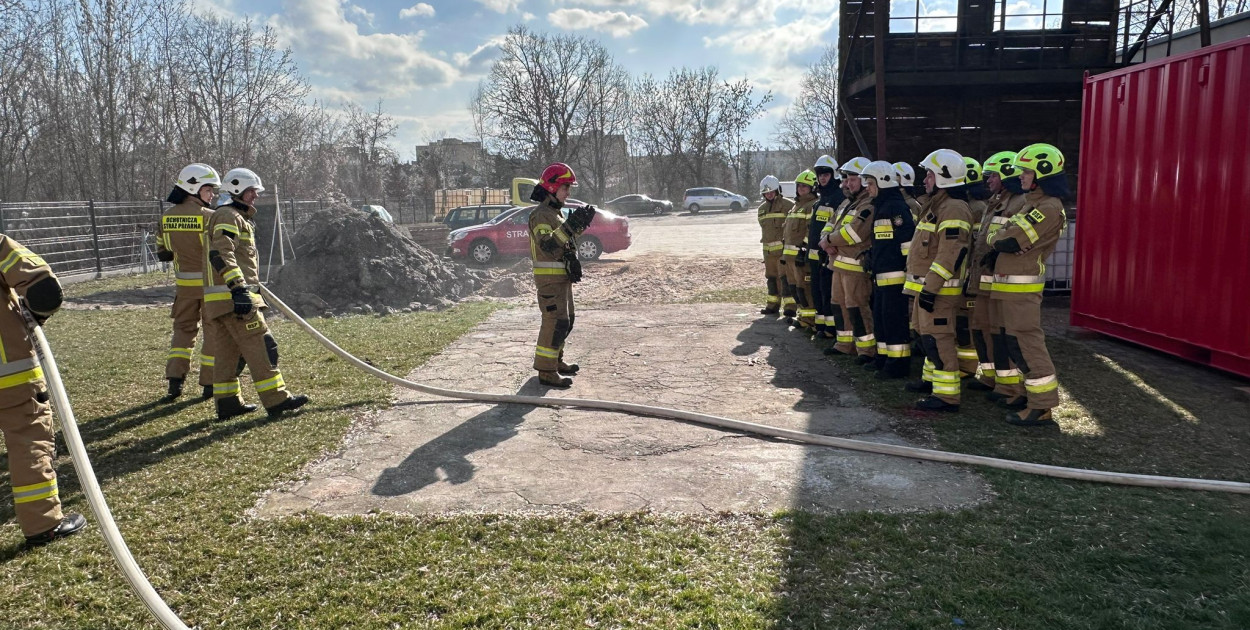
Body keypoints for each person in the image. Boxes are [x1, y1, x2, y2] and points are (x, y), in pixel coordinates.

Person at [0, 235, 87, 546]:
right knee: (29, 441)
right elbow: (45, 291)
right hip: (10, 376)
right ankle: (43, 525)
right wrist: (34, 315)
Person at [203, 168, 309, 419]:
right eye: (251, 191)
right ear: (237, 190)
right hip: (235, 299)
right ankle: (277, 399)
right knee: (263, 346)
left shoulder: (229, 215)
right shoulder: (229, 216)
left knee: (227, 354)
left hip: (221, 301)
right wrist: (239, 289)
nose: (255, 196)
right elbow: (221, 253)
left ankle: (227, 402)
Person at [986, 143, 1068, 427]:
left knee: (1028, 345)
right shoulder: (1030, 203)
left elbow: (1006, 240)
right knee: (1015, 344)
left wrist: (1006, 239)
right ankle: (1026, 394)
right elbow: (1001, 237)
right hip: (1009, 287)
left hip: (1021, 290)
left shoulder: (1047, 207)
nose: (1020, 176)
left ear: (1042, 173)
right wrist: (1005, 238)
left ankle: (1042, 407)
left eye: (1025, 171)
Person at [904, 149, 973, 412]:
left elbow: (950, 254)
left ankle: (947, 396)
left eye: (930, 174)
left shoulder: (954, 208)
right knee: (925, 336)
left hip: (939, 291)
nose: (925, 179)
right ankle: (931, 381)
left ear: (945, 177)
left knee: (938, 339)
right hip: (927, 288)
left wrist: (931, 289)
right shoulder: (937, 206)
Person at [155, 163, 221, 400]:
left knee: (182, 334)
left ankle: (175, 382)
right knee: (213, 333)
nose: (212, 194)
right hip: (210, 288)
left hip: (183, 290)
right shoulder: (210, 217)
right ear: (194, 188)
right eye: (208, 189)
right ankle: (209, 385)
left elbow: (163, 252)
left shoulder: (167, 217)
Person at [527, 163, 595, 387]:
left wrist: (576, 229)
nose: (569, 192)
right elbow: (548, 245)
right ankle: (546, 371)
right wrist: (569, 228)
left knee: (566, 322)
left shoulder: (555, 214)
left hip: (562, 279)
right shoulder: (540, 216)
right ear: (552, 187)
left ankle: (556, 361)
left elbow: (565, 243)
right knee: (554, 322)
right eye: (566, 187)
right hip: (549, 281)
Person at [966, 151, 1026, 395]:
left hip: (1001, 282)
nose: (987, 180)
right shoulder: (996, 202)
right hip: (983, 280)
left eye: (992, 175)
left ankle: (1009, 386)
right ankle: (990, 377)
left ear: (1007, 174)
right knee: (981, 328)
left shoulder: (1019, 203)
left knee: (1000, 334)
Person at [860, 161, 915, 378]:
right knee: (881, 319)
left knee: (894, 322)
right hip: (881, 276)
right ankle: (883, 358)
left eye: (870, 183)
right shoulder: (882, 206)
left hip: (895, 277)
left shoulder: (896, 207)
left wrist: (906, 270)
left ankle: (898, 365)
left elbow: (906, 242)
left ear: (883, 182)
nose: (868, 187)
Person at [821, 156, 874, 358]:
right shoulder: (846, 204)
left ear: (863, 180)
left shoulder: (868, 205)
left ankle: (866, 350)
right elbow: (830, 225)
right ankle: (844, 345)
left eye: (852, 179)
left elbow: (854, 233)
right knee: (839, 305)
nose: (847, 183)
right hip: (837, 265)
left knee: (857, 308)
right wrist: (826, 241)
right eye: (846, 179)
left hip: (855, 268)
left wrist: (830, 241)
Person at [955, 157, 989, 381]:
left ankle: (969, 367)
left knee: (967, 323)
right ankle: (966, 365)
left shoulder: (976, 208)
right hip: (962, 275)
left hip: (970, 276)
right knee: (961, 321)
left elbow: (976, 246)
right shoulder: (968, 205)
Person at [809, 155, 844, 338]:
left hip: (828, 256)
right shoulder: (821, 199)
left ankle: (831, 329)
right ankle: (820, 326)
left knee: (829, 292)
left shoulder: (838, 197)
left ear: (833, 175)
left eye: (826, 174)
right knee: (817, 291)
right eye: (820, 174)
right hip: (815, 256)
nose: (822, 177)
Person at [782, 170, 819, 329]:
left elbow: (811, 232)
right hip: (789, 258)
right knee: (795, 288)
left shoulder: (812, 205)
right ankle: (801, 315)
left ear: (812, 187)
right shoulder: (796, 205)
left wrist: (803, 250)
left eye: (805, 186)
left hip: (799, 257)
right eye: (799, 186)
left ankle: (809, 320)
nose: (801, 188)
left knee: (804, 289)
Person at [756, 175, 792, 316]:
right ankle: (772, 305)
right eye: (766, 193)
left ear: (778, 191)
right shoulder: (761, 209)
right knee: (771, 278)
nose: (769, 195)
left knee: (786, 279)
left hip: (783, 251)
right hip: (768, 252)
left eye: (772, 192)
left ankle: (790, 307)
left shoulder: (788, 205)